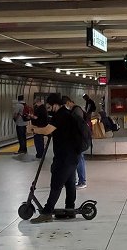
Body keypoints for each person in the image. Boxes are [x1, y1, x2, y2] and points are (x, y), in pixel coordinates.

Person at [31, 93, 81, 223]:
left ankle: (47, 212)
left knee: (56, 185)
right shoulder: (66, 114)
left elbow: (47, 130)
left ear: (55, 105)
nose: (48, 109)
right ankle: (70, 210)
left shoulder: (61, 115)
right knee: (70, 184)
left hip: (64, 157)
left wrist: (34, 130)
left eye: (49, 106)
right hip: (72, 155)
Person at [62, 96, 87, 189]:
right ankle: (76, 180)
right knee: (78, 160)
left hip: (78, 140)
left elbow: (77, 126)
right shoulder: (76, 110)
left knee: (79, 160)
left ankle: (82, 181)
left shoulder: (76, 111)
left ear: (68, 102)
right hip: (78, 140)